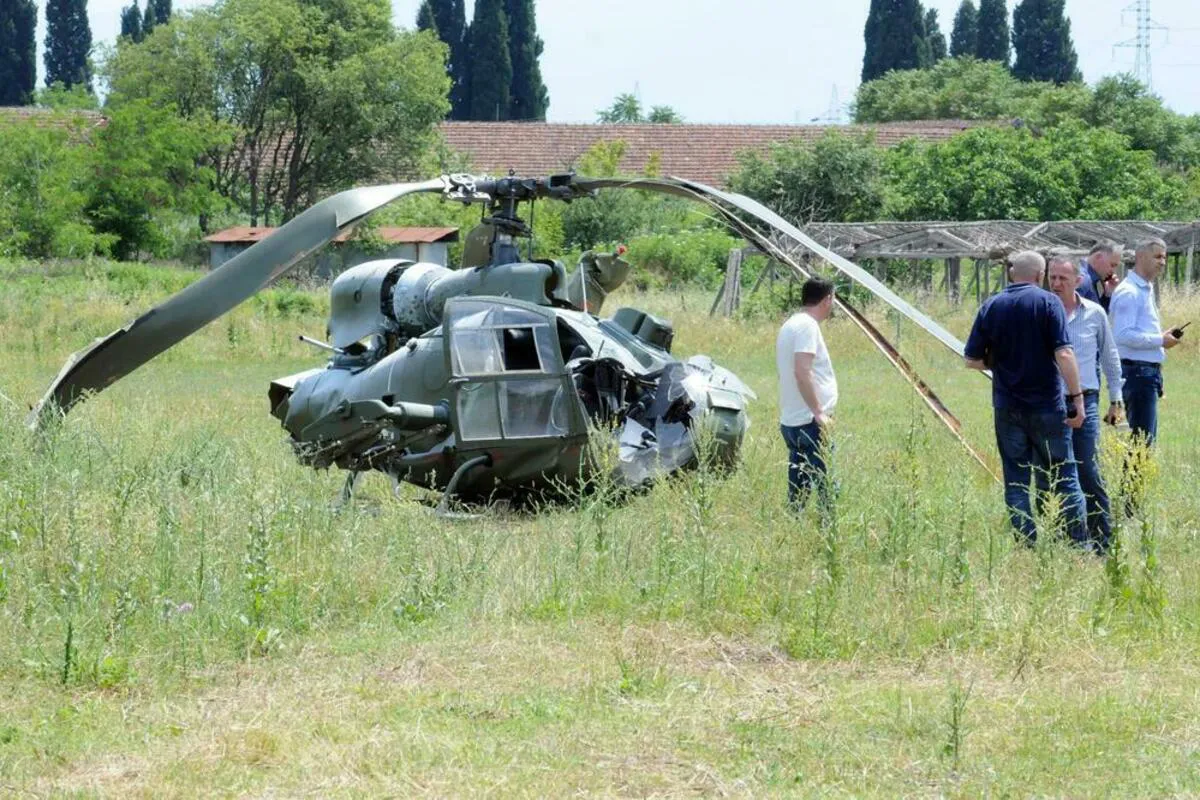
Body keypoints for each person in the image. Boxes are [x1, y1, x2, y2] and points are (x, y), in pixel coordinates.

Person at [964, 251, 1088, 546]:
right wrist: (1077, 397)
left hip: (1007, 407)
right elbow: (1064, 353)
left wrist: (1001, 364)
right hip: (1047, 406)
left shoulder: (991, 305)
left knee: (1017, 480)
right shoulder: (1048, 302)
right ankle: (1078, 543)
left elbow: (971, 360)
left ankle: (1026, 544)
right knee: (1065, 476)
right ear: (1040, 275)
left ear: (1011, 274)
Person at [1046, 256, 1124, 552]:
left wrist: (1116, 398)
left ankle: (1103, 540)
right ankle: (1067, 538)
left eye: (1063, 278)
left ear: (1078, 281)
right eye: (1052, 277)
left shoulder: (1094, 314)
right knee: (1055, 471)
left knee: (1087, 469)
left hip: (1086, 400)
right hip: (1049, 402)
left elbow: (1109, 355)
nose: (1056, 284)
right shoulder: (1043, 313)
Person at [1109, 237, 1180, 445]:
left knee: (1143, 440)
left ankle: (1136, 478)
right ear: (1140, 257)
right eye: (1157, 256)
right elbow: (1122, 335)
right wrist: (1160, 340)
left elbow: (1136, 331)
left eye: (1164, 257)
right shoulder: (1129, 292)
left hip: (1144, 373)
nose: (1163, 262)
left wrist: (1162, 337)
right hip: (1137, 374)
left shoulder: (1143, 288)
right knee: (1142, 443)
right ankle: (1134, 479)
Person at [777, 277, 837, 514]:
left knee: (798, 490)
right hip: (809, 421)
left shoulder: (791, 324)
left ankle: (796, 531)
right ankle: (827, 535)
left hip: (793, 419)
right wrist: (819, 412)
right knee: (826, 488)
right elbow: (802, 371)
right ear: (827, 299)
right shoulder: (807, 327)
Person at [1077, 241, 1122, 312]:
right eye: (1112, 265)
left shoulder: (1091, 279)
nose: (1113, 271)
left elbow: (1096, 317)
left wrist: (1107, 294)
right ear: (1098, 257)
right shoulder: (1083, 279)